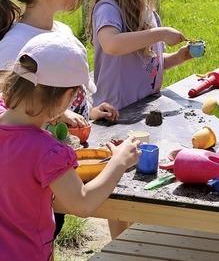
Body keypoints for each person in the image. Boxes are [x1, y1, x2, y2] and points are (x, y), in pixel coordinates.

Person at [0, 0, 119, 241]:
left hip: (60, 162)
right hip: (36, 172)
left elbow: (57, 96)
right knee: (31, 234)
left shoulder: (60, 32)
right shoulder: (14, 45)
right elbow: (11, 101)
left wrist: (84, 112)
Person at [0, 32, 140, 261]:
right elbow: (83, 203)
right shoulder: (47, 152)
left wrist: (55, 111)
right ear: (67, 96)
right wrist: (119, 161)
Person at [0, 0, 118, 123]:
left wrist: (90, 113)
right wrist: (61, 115)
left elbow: (69, 98)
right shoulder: (14, 45)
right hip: (42, 150)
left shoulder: (63, 31)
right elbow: (7, 105)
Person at [87, 0, 195, 111]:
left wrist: (178, 57)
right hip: (115, 112)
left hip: (144, 107)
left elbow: (148, 64)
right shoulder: (108, 9)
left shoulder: (147, 13)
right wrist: (161, 33)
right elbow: (112, 44)